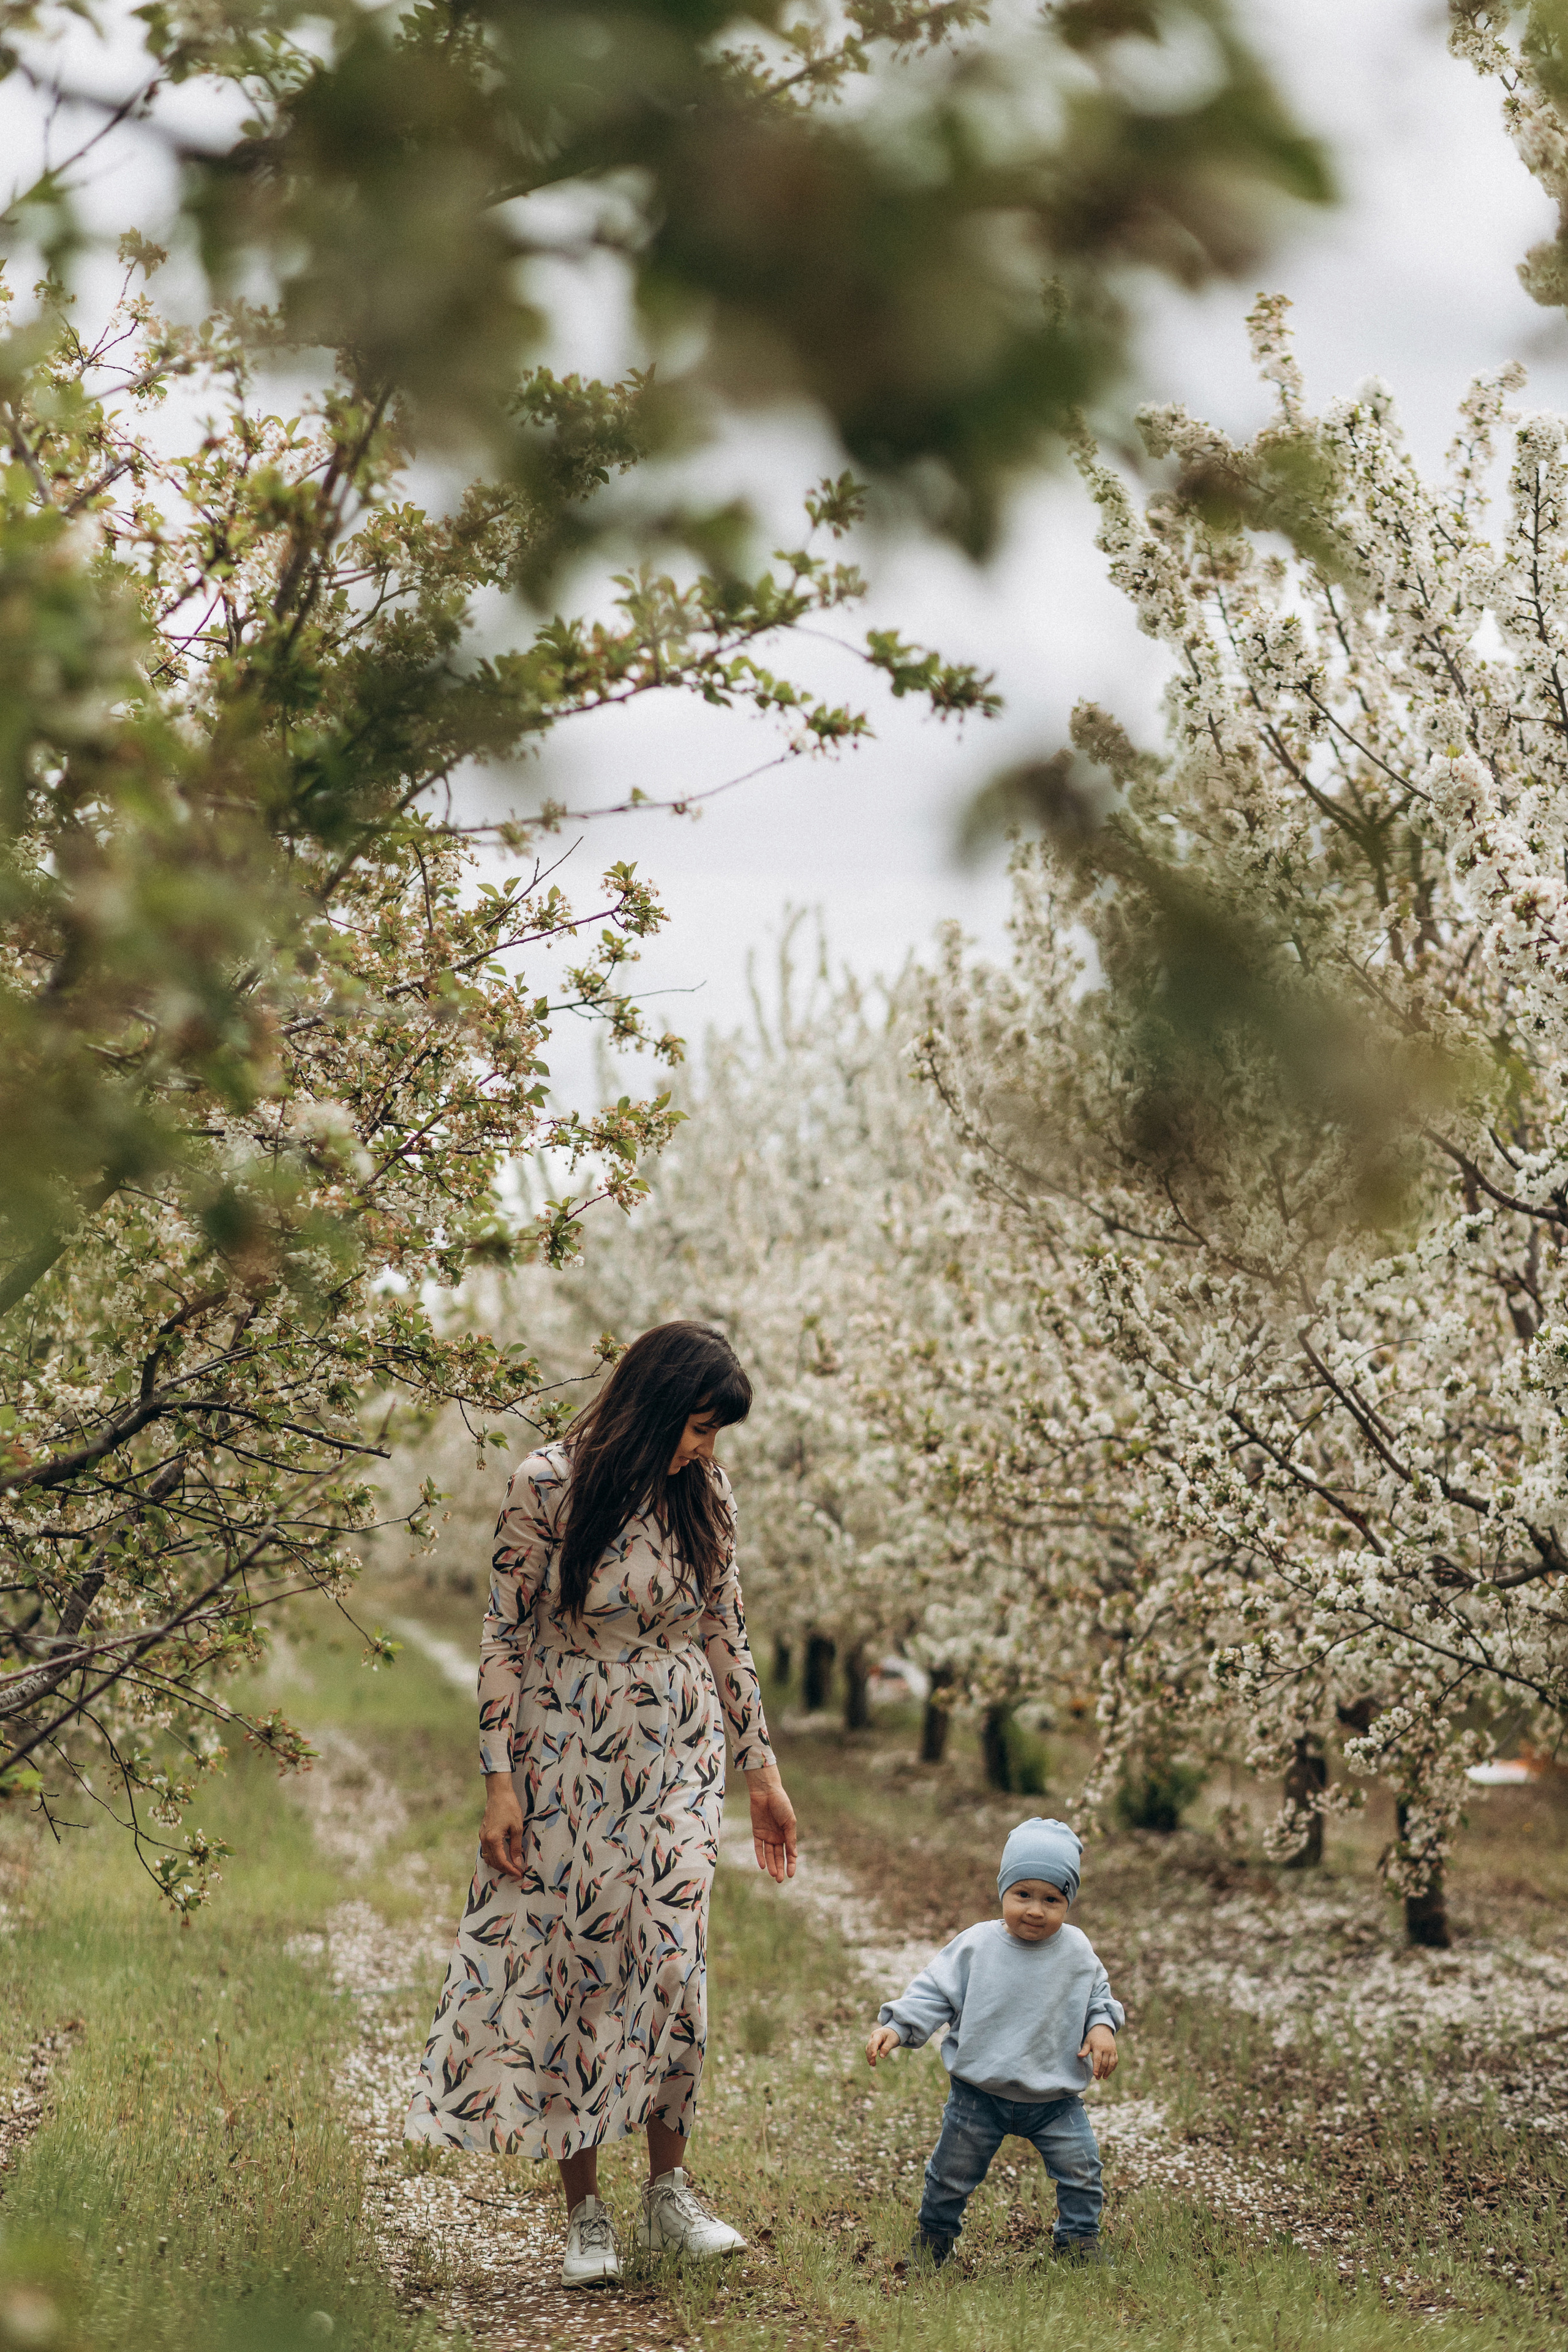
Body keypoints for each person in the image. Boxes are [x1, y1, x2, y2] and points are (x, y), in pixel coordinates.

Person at [405, 1322, 798, 2289]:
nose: (706, 1449)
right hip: (566, 1747)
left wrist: (762, 1770)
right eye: (699, 1428)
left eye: (715, 1436)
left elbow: (726, 1629)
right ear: (659, 1407)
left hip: (678, 1748)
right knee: (577, 1963)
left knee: (672, 1959)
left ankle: (667, 2193)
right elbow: (502, 1631)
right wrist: (498, 1779)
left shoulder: (703, 1491)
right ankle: (584, 2212)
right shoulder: (548, 1482)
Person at [864, 1817, 1122, 2268]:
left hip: (1055, 2098)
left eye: (1052, 1899)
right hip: (978, 2095)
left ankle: (1079, 2242)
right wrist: (898, 2027)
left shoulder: (1077, 1951)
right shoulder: (977, 1946)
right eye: (1023, 1895)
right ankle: (934, 2240)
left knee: (1083, 2172)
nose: (1036, 1910)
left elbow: (1098, 1996)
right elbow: (934, 1993)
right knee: (950, 2175)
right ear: (1003, 1890)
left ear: (1069, 1902)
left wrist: (1101, 2028)